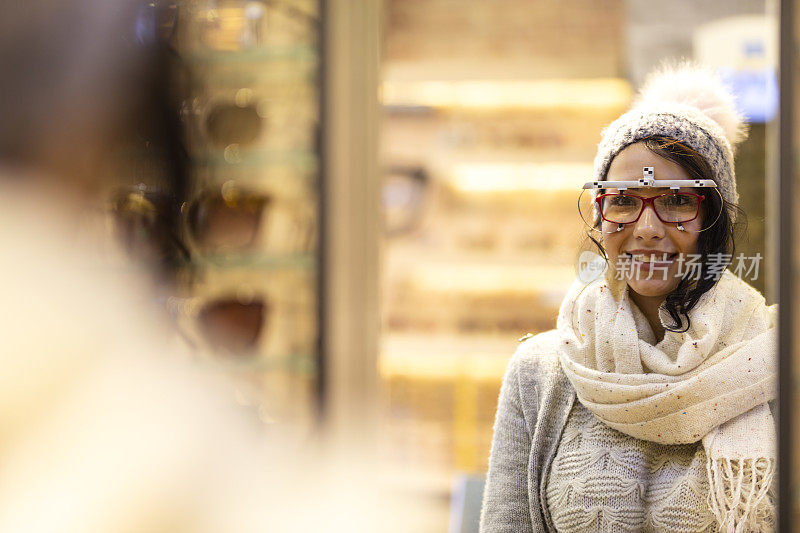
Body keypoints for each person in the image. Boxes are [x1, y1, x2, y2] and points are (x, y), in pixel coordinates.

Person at [479, 62, 777, 533]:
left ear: (715, 219)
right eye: (622, 200)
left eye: (678, 200)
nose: (647, 228)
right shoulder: (541, 372)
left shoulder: (771, 363)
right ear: (599, 216)